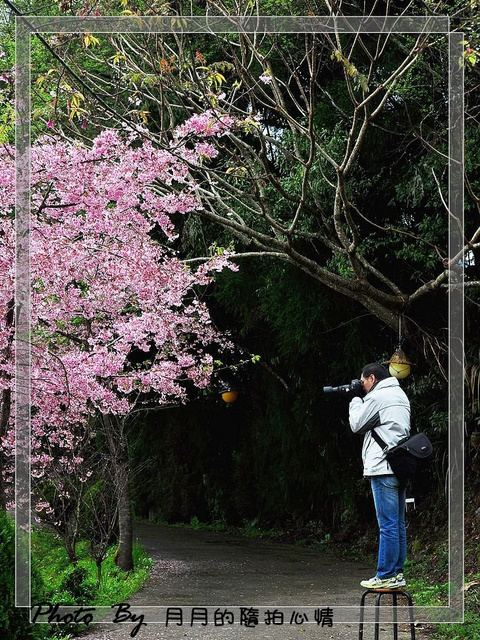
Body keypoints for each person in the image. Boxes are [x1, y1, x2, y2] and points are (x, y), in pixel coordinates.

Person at [349, 363, 411, 589]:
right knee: (398, 524)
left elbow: (357, 424)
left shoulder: (378, 397)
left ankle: (385, 575)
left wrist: (356, 399)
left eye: (363, 381)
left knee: (387, 525)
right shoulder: (400, 394)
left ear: (372, 378)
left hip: (383, 468)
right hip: (400, 466)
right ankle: (396, 574)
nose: (362, 386)